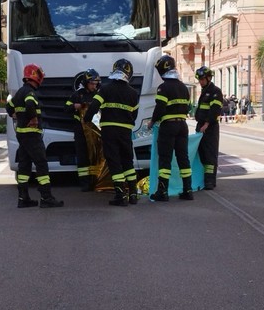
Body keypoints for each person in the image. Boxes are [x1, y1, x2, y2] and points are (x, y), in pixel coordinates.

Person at [6, 64, 63, 208]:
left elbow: (9, 106)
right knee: (41, 163)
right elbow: (31, 104)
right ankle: (46, 197)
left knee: (24, 165)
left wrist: (14, 114)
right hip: (32, 135)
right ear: (35, 76)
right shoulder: (30, 93)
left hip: (22, 135)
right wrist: (33, 118)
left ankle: (23, 198)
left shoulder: (19, 92)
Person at [84, 59, 138, 206]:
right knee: (128, 161)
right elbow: (135, 115)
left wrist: (87, 120)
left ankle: (120, 196)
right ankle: (133, 194)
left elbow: (94, 106)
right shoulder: (134, 93)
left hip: (109, 131)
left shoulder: (105, 89)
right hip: (126, 131)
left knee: (114, 162)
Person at [147, 55, 192, 202]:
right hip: (182, 126)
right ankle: (188, 190)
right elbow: (189, 107)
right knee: (183, 158)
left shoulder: (163, 87)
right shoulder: (183, 87)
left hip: (168, 126)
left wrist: (152, 121)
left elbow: (160, 108)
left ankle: (162, 192)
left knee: (165, 159)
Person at [65, 68, 100, 192]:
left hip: (95, 130)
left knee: (95, 155)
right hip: (80, 130)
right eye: (92, 83)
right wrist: (76, 106)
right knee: (82, 156)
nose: (94, 86)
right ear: (86, 82)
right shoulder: (77, 94)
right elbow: (66, 108)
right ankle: (85, 184)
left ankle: (96, 181)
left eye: (96, 83)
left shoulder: (98, 94)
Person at [194, 66, 223, 190]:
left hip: (210, 128)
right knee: (201, 153)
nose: (200, 81)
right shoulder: (205, 91)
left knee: (210, 155)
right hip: (201, 126)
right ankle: (202, 180)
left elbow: (214, 111)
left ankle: (210, 182)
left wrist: (206, 124)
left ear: (208, 78)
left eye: (202, 79)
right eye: (199, 79)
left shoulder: (215, 91)